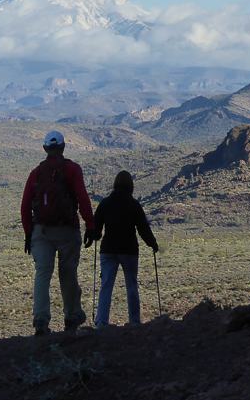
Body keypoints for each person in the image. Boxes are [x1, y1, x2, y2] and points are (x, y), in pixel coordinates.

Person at [21, 130, 97, 336]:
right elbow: (82, 198)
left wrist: (29, 233)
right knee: (68, 273)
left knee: (43, 274)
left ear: (45, 149)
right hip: (67, 230)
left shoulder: (36, 173)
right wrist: (90, 224)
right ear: (63, 147)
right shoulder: (72, 169)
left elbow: (25, 205)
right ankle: (72, 316)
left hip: (41, 231)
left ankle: (40, 320)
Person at [93, 170, 158, 328]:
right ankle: (134, 321)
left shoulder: (105, 203)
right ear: (131, 186)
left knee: (106, 285)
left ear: (115, 184)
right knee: (131, 285)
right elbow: (143, 228)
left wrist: (93, 236)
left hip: (108, 250)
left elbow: (96, 228)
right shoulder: (133, 204)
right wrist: (152, 244)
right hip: (129, 251)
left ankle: (101, 322)